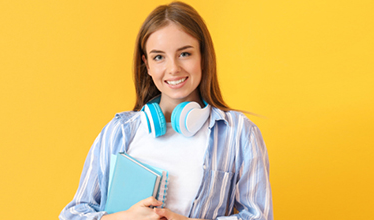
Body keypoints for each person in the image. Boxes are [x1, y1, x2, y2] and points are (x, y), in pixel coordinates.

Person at [60, 2, 272, 220]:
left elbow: (259, 217)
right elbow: (73, 214)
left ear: (203, 56)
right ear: (147, 65)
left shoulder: (238, 133)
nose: (173, 69)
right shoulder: (119, 132)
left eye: (185, 54)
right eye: (159, 57)